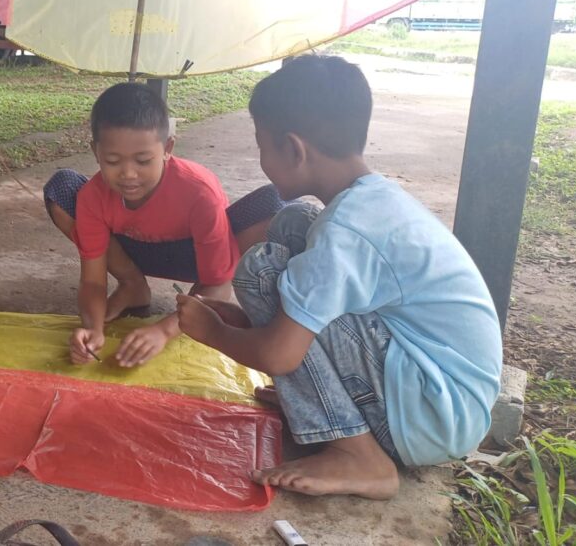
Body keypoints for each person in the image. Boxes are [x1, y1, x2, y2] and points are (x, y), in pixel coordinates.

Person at [176, 55, 503, 499]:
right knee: (293, 223)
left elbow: (279, 354)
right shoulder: (370, 201)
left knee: (261, 270)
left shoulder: (346, 232)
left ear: (294, 149)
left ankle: (359, 456)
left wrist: (213, 332)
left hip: (429, 415)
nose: (261, 159)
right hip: (442, 397)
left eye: (262, 145)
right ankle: (317, 404)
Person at [43, 82, 285, 368]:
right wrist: (93, 328)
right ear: (95, 152)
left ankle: (189, 305)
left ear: (168, 148)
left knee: (275, 205)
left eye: (143, 160)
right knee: (62, 188)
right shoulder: (94, 196)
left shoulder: (198, 191)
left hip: (194, 257)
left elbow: (219, 284)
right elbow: (93, 281)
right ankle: (132, 286)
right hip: (131, 251)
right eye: (112, 161)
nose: (128, 174)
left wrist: (165, 329)